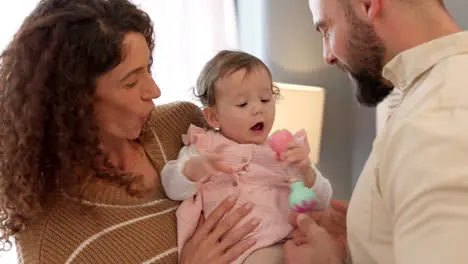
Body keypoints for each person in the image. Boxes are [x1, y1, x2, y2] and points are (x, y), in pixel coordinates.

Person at [0, 1, 260, 263]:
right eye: (131, 82)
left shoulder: (184, 126)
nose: (154, 91)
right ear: (73, 102)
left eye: (148, 67)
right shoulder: (54, 247)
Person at [284, 0, 468, 263]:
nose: (328, 55)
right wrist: (368, 235)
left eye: (326, 30)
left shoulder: (438, 119)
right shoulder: (433, 95)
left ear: (368, 5)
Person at [160, 50, 333, 264]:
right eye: (243, 104)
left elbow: (323, 201)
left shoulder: (283, 151)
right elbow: (171, 186)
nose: (258, 110)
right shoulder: (204, 148)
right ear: (213, 117)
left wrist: (306, 170)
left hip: (285, 240)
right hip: (236, 253)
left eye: (265, 99)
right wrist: (192, 170)